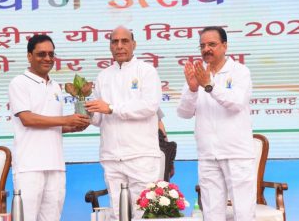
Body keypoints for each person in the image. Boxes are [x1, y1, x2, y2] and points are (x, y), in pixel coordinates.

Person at [177, 26, 256, 221]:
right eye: (202, 45)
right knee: (212, 214)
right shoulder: (198, 73)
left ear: (225, 46)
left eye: (212, 44)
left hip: (236, 154)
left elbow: (236, 103)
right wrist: (193, 89)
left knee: (244, 213)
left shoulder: (240, 71)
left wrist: (209, 86)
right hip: (208, 155)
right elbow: (184, 113)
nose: (206, 49)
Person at [8, 34, 90, 221]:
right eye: (41, 54)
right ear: (29, 56)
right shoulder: (19, 82)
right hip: (30, 166)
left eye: (51, 54)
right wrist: (65, 119)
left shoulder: (55, 87)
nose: (47, 58)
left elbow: (52, 124)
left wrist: (72, 126)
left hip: (55, 165)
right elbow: (27, 119)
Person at [85, 26, 162, 220]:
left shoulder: (146, 71)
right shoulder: (103, 76)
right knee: (117, 215)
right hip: (111, 157)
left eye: (124, 41)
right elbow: (98, 118)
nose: (119, 46)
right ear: (110, 46)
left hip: (140, 156)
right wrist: (85, 110)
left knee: (144, 214)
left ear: (133, 44)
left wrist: (111, 107)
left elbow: (149, 106)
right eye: (114, 42)